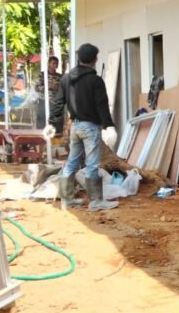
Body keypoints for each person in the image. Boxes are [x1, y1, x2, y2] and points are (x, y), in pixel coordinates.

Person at [45, 43, 119, 212]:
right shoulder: (95, 80)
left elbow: (58, 103)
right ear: (94, 60)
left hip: (75, 126)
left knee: (71, 162)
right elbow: (102, 105)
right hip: (90, 127)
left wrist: (51, 123)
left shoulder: (65, 79)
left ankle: (67, 200)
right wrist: (109, 126)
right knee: (92, 164)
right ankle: (96, 202)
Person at [35, 55, 62, 129]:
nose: (55, 65)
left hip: (55, 102)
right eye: (53, 63)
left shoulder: (60, 76)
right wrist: (48, 86)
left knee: (54, 123)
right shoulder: (42, 75)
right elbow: (37, 87)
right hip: (44, 101)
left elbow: (62, 89)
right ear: (48, 64)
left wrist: (57, 87)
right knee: (42, 122)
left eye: (56, 63)